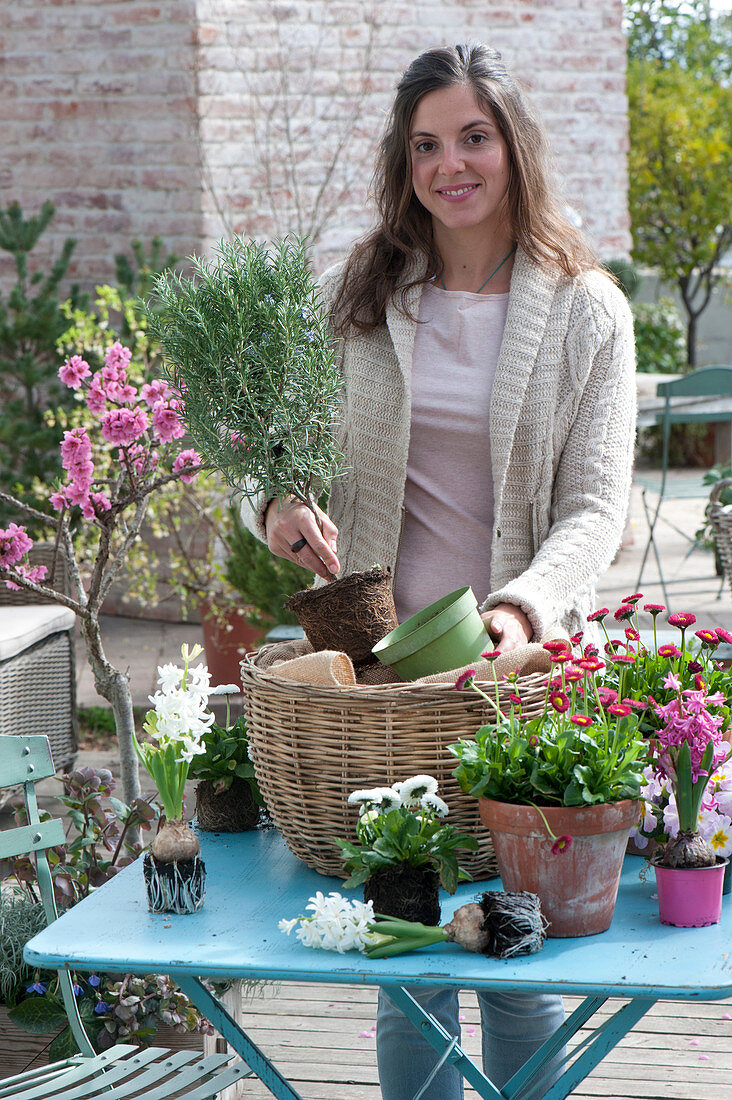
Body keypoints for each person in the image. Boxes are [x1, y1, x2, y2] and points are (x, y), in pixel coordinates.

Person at [246, 41, 635, 1100]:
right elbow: (277, 459)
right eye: (426, 144)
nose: (450, 164)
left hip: (514, 679)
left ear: (513, 145)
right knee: (408, 957)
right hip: (383, 687)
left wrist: (525, 606)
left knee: (514, 949)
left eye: (473, 137)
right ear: (403, 159)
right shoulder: (367, 297)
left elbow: (596, 508)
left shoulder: (588, 310)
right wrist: (275, 509)